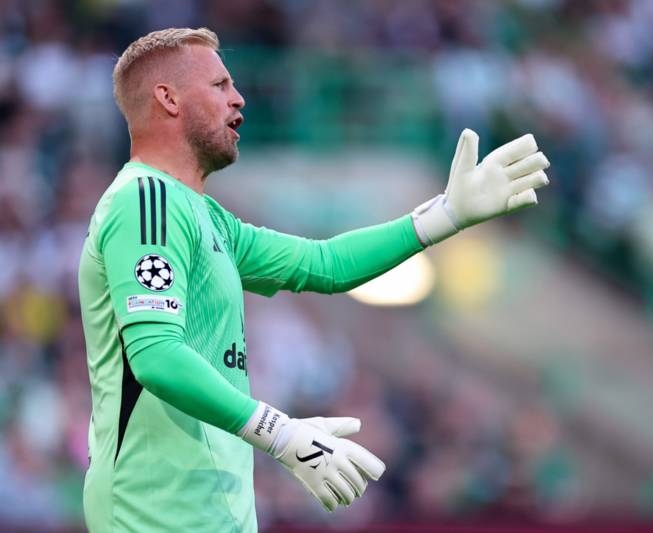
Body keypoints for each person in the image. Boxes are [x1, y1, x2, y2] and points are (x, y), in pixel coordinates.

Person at [78, 27, 550, 532]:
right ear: (168, 99)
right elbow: (155, 355)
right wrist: (279, 433)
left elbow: (325, 264)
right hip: (151, 511)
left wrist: (445, 215)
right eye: (219, 85)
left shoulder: (207, 218)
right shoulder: (145, 201)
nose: (238, 98)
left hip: (207, 514)